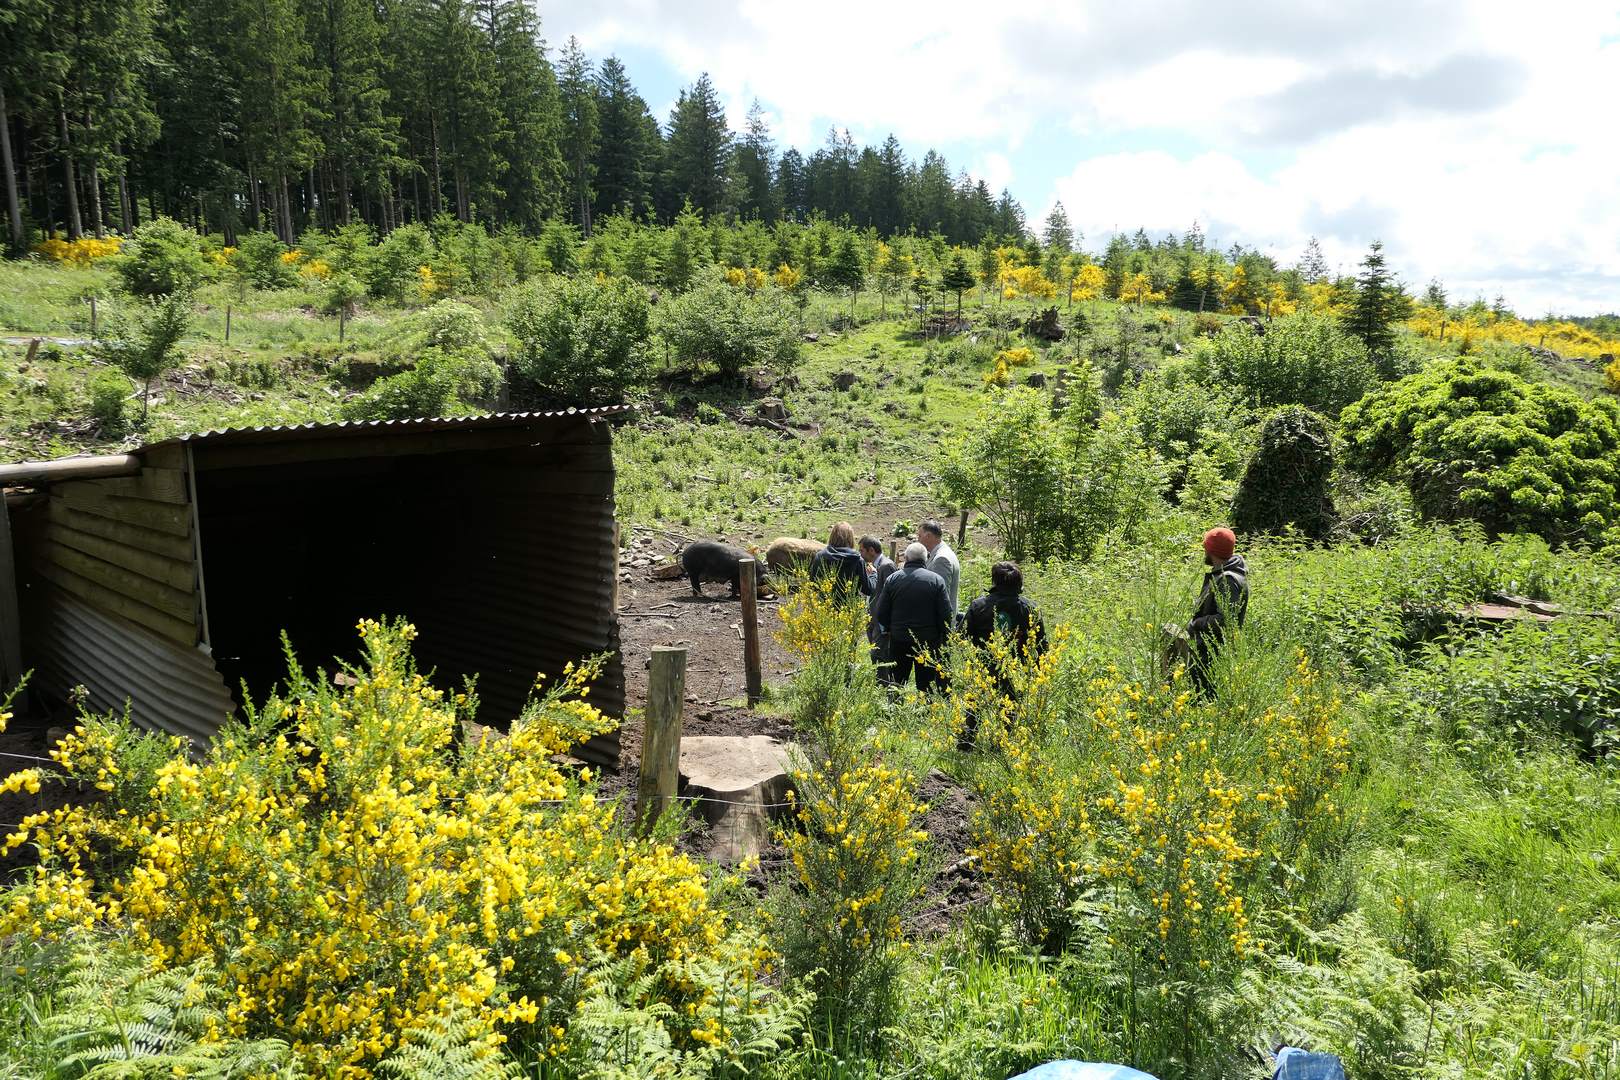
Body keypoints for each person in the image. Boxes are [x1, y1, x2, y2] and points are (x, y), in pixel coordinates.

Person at [960, 561, 1046, 748]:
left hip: (982, 665)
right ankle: (1001, 744)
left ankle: (967, 742)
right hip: (1016, 668)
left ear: (994, 580)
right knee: (1010, 706)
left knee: (975, 703)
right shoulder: (1030, 608)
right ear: (1019, 583)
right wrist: (1039, 672)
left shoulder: (979, 605)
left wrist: (970, 659)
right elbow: (1041, 644)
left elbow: (963, 637)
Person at [872, 542, 952, 692]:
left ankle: (893, 711)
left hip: (899, 639)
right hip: (928, 641)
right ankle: (924, 713)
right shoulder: (936, 580)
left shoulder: (893, 579)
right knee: (926, 685)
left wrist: (888, 629)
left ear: (906, 558)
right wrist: (941, 636)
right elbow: (946, 614)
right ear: (926, 558)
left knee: (896, 682)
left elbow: (881, 611)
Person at [1187, 527, 1249, 695]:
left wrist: (1197, 623)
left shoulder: (1228, 579)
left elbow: (1225, 620)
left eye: (1205, 546)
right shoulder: (1222, 575)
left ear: (1211, 550)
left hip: (1213, 656)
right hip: (1207, 652)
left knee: (1204, 701)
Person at [809, 521, 871, 597]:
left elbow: (813, 584)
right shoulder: (857, 559)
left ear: (832, 536)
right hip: (850, 606)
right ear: (850, 539)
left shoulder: (820, 556)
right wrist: (873, 574)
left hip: (824, 605)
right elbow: (867, 589)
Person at [918, 519, 961, 621]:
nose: (918, 539)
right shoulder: (942, 552)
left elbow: (941, 594)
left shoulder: (941, 559)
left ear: (928, 536)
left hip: (940, 621)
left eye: (919, 536)